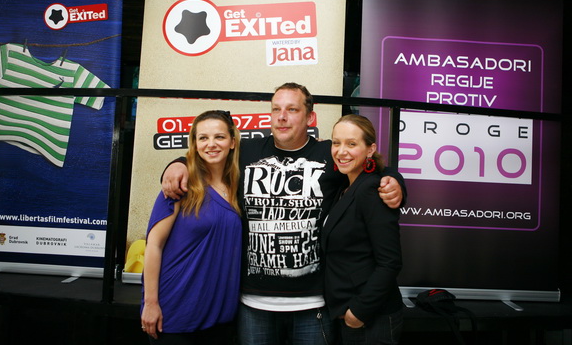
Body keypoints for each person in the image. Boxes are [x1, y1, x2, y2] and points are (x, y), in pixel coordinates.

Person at [161, 83, 406, 345]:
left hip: (314, 303)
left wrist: (396, 182)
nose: (282, 117)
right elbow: (207, 157)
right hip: (254, 304)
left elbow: (370, 169)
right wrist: (177, 164)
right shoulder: (246, 152)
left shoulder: (330, 153)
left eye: (292, 109)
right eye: (276, 109)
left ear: (310, 117)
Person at [141, 110, 242, 345]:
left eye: (219, 137)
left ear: (232, 142)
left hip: (219, 313)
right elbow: (154, 245)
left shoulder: (239, 187)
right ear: (195, 144)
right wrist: (150, 302)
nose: (211, 144)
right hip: (175, 308)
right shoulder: (179, 186)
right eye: (203, 138)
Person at [322, 114, 403, 345]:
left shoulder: (372, 190)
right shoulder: (345, 186)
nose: (341, 151)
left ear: (370, 149)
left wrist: (358, 313)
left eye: (351, 144)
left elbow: (390, 262)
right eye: (336, 143)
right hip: (347, 312)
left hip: (371, 318)